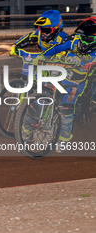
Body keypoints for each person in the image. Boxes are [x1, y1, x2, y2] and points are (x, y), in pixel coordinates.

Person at [34, 17, 96, 151]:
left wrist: (92, 64)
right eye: (80, 35)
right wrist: (41, 57)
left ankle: (64, 139)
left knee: (67, 104)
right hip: (66, 72)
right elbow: (56, 48)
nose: (81, 39)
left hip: (81, 79)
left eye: (86, 37)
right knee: (45, 90)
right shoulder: (74, 41)